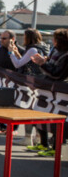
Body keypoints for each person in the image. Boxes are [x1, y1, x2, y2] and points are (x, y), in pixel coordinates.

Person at [29, 28, 68, 156]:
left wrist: (42, 64)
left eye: (54, 38)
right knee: (39, 113)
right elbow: (50, 65)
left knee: (57, 119)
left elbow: (57, 74)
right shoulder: (55, 50)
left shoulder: (66, 55)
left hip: (59, 91)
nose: (52, 40)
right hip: (47, 87)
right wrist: (44, 61)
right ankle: (44, 143)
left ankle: (55, 149)